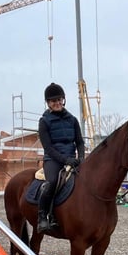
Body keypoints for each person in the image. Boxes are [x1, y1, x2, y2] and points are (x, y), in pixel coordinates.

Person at [37, 82, 85, 233]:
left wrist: (81, 158)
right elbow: (48, 148)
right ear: (48, 103)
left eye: (59, 99)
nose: (57, 103)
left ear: (63, 100)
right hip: (53, 160)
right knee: (52, 182)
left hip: (72, 158)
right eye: (53, 101)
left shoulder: (73, 120)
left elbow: (80, 142)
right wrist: (65, 160)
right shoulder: (44, 122)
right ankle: (43, 216)